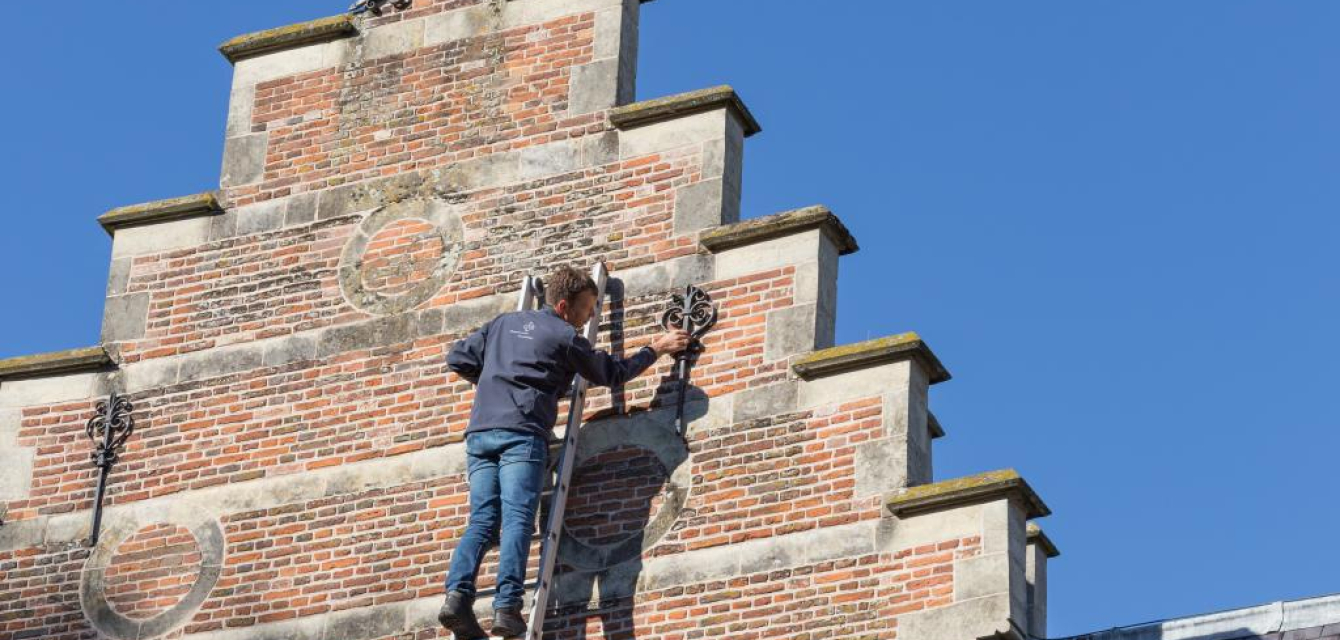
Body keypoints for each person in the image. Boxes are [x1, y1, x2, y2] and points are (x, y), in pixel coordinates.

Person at [438, 265, 691, 639]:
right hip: (521, 434)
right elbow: (612, 373)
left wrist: (495, 383)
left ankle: (457, 597)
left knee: (483, 521)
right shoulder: (564, 336)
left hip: (480, 434)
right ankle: (507, 607)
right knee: (518, 518)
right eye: (586, 309)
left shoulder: (503, 323)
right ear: (563, 306)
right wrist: (656, 348)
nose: (589, 317)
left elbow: (458, 358)